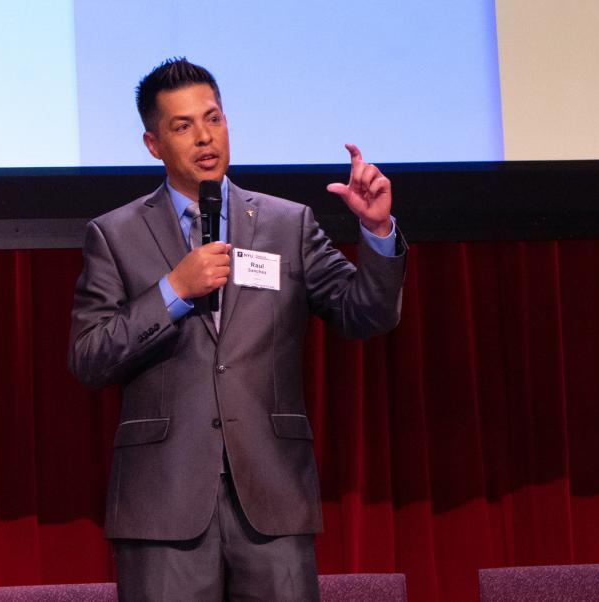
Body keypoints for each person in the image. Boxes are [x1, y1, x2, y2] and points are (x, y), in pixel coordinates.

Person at [68, 57, 407, 601]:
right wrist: (172, 291)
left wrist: (376, 231)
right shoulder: (114, 235)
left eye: (214, 118)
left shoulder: (285, 223)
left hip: (271, 497)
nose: (205, 138)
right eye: (183, 126)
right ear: (153, 144)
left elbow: (364, 314)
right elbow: (89, 357)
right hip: (164, 505)